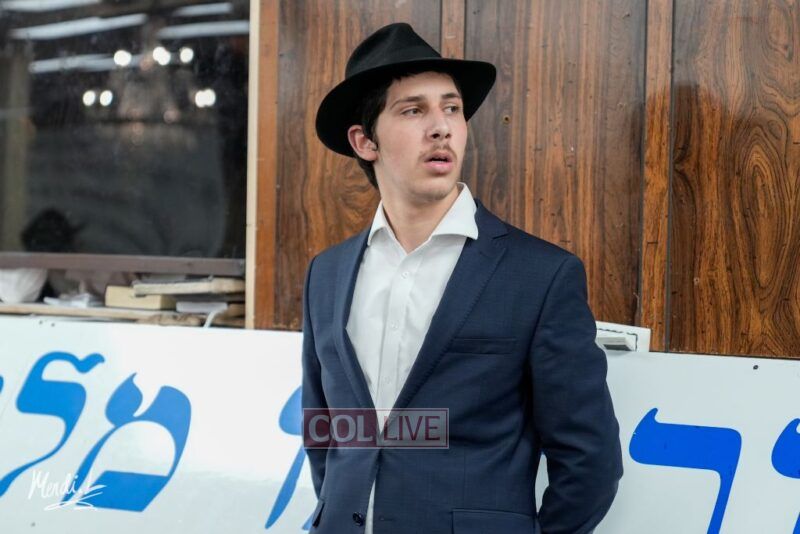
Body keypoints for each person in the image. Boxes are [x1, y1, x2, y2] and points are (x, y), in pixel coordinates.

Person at [302, 22, 622, 534]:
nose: (441, 127)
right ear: (364, 141)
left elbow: (590, 460)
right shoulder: (327, 273)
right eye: (413, 111)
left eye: (451, 108)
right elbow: (326, 434)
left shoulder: (540, 275)